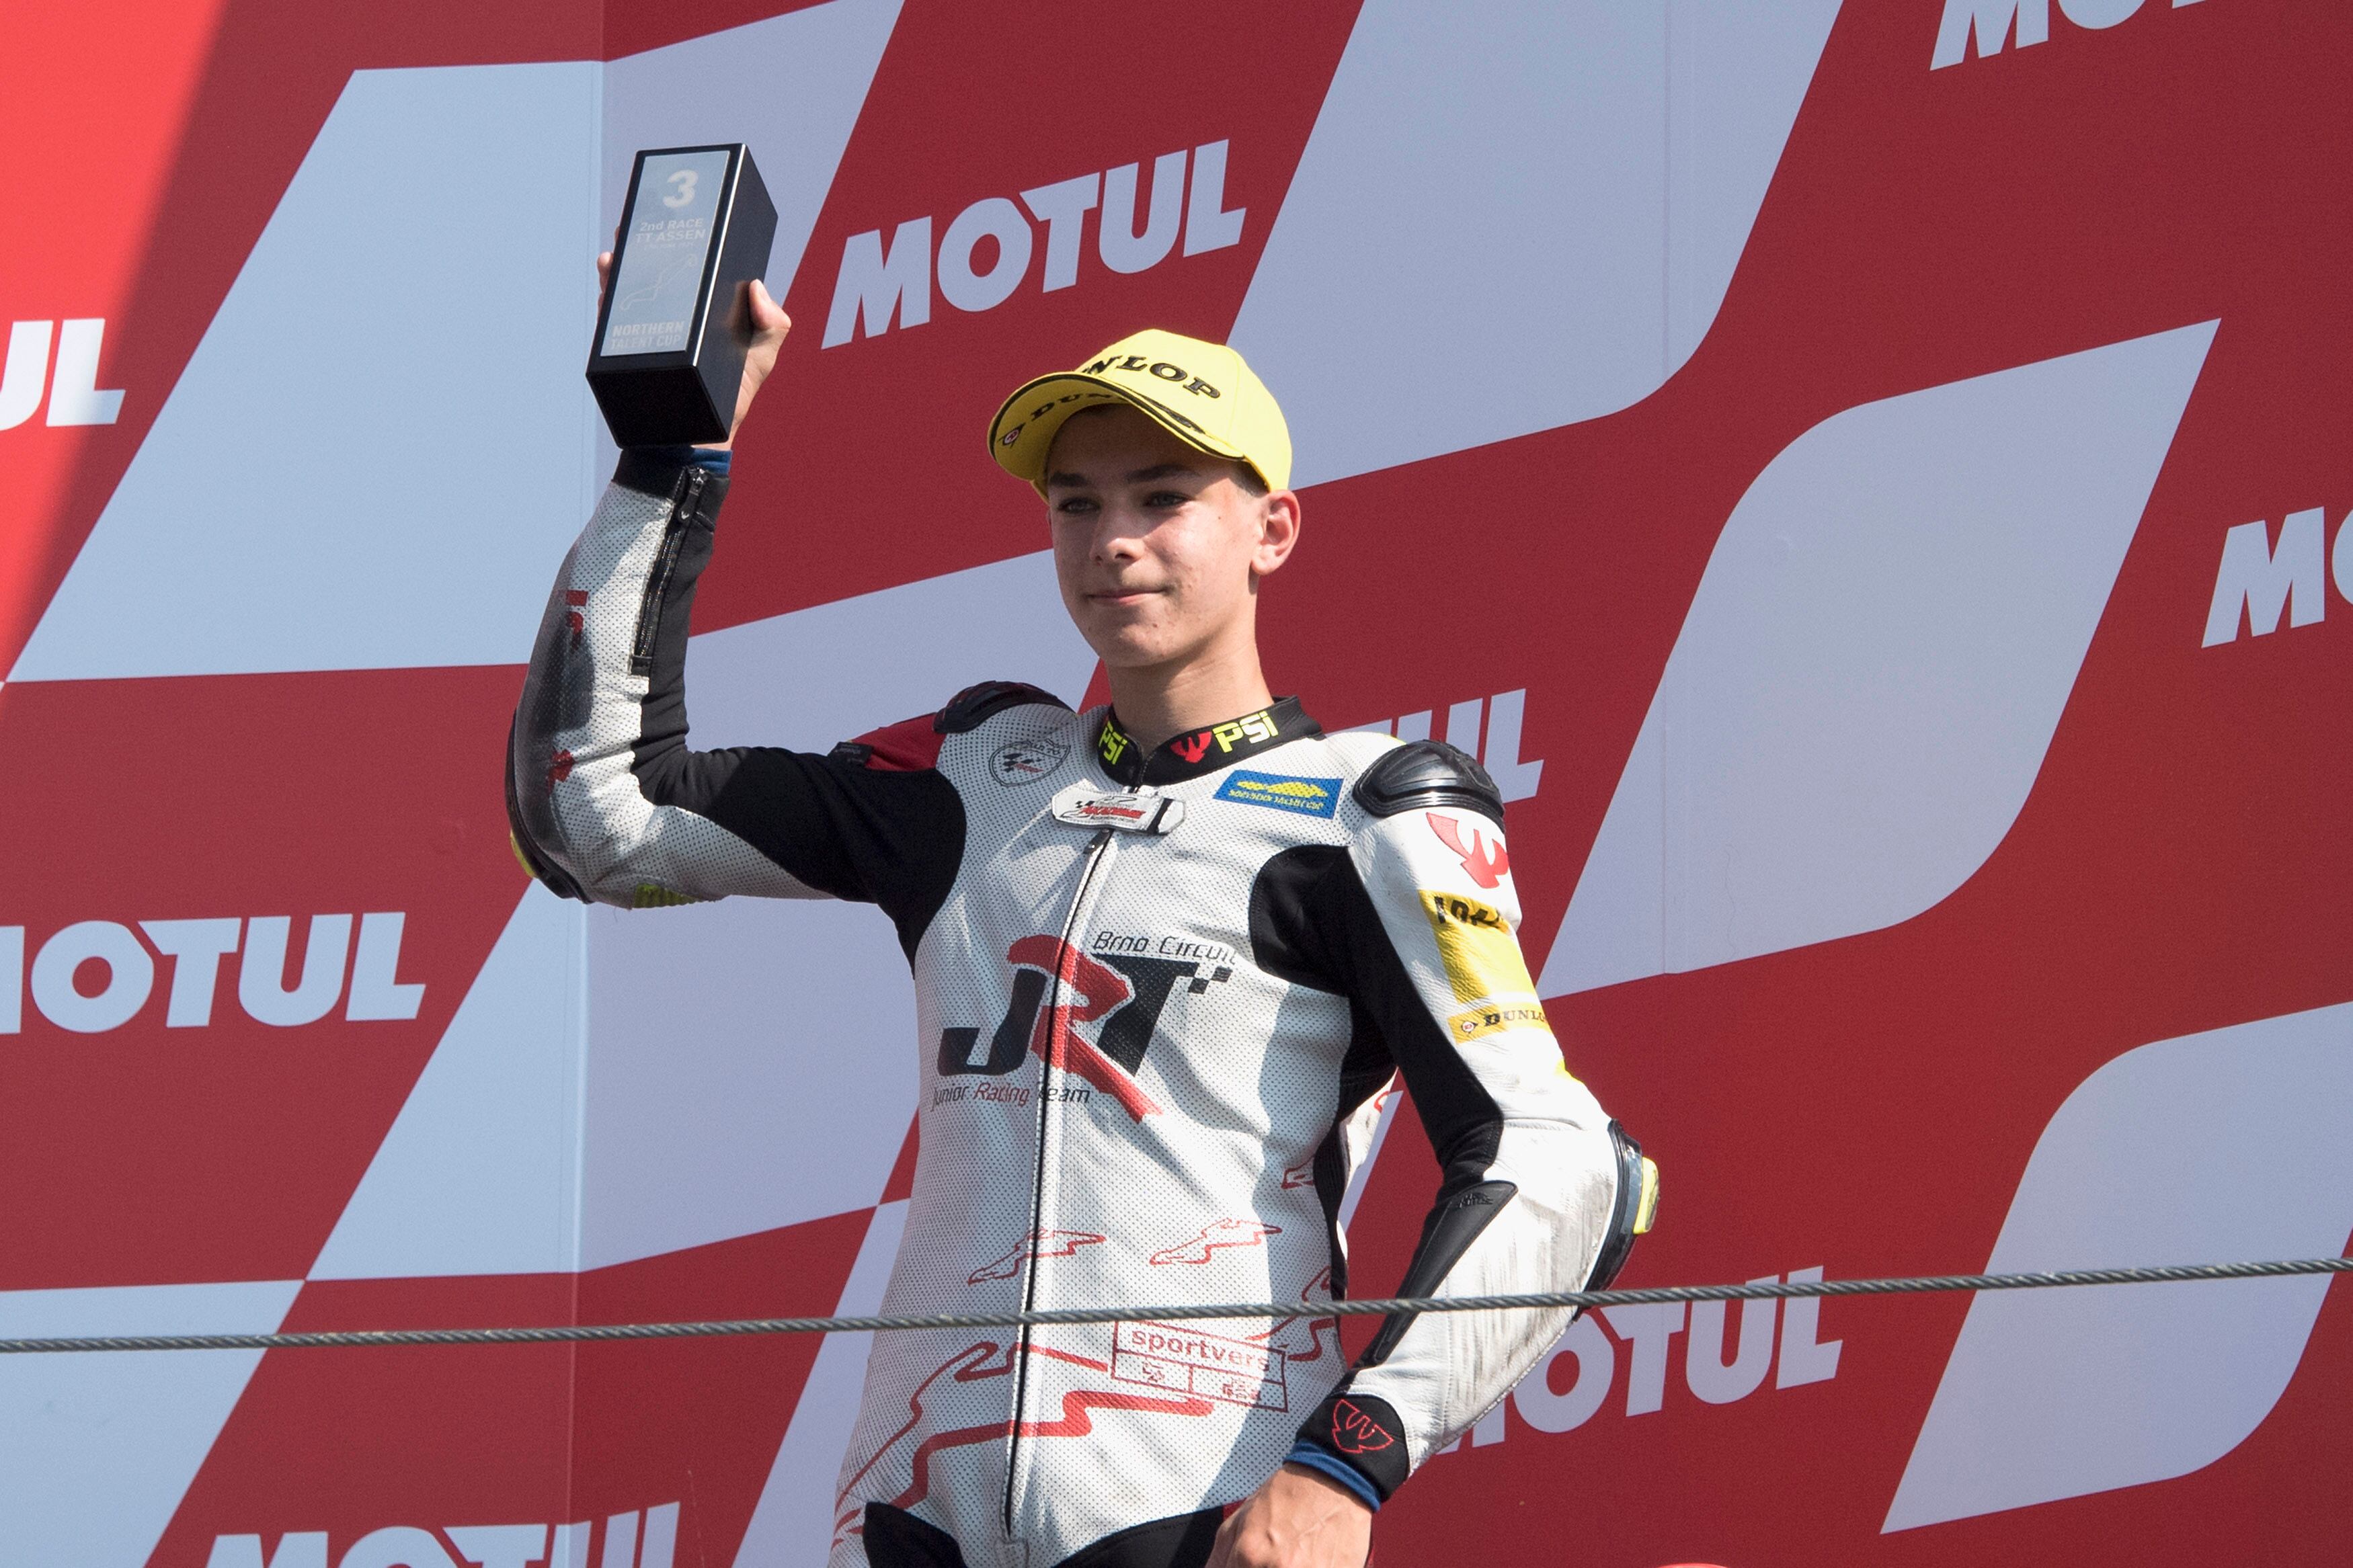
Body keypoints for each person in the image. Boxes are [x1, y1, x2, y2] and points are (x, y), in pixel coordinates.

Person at [507, 268, 1654, 1568]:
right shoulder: (973, 776)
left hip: (1194, 1509)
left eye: (1166, 501)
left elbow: (1567, 1164)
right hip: (914, 1510)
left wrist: (1349, 1464)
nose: (1116, 539)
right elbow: (592, 817)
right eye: (1078, 504)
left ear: (1272, 530)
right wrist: (674, 454)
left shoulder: (1368, 813)